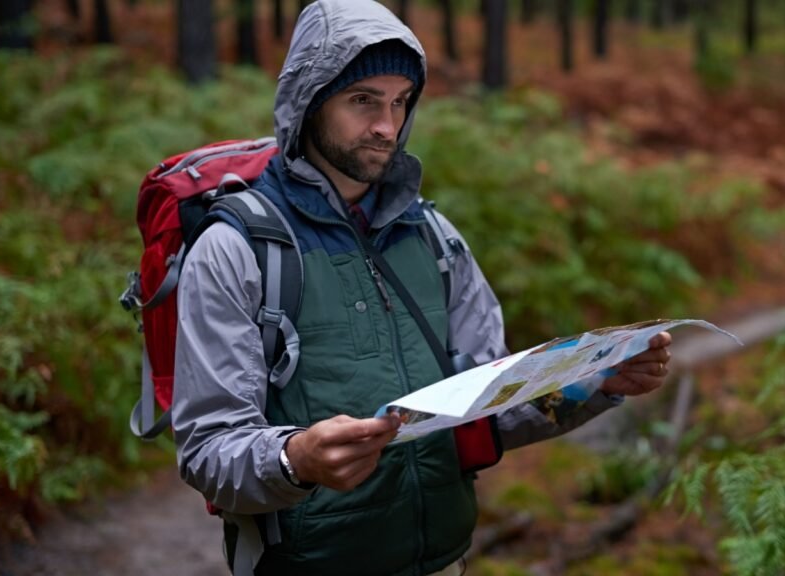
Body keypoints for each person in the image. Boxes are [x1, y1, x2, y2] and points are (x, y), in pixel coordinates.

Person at [171, 1, 672, 575]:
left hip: (443, 561)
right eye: (363, 100)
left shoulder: (432, 237)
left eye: (400, 101)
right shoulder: (239, 248)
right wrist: (295, 458)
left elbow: (488, 407)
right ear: (308, 102)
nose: (387, 125)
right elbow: (209, 450)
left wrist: (598, 380)